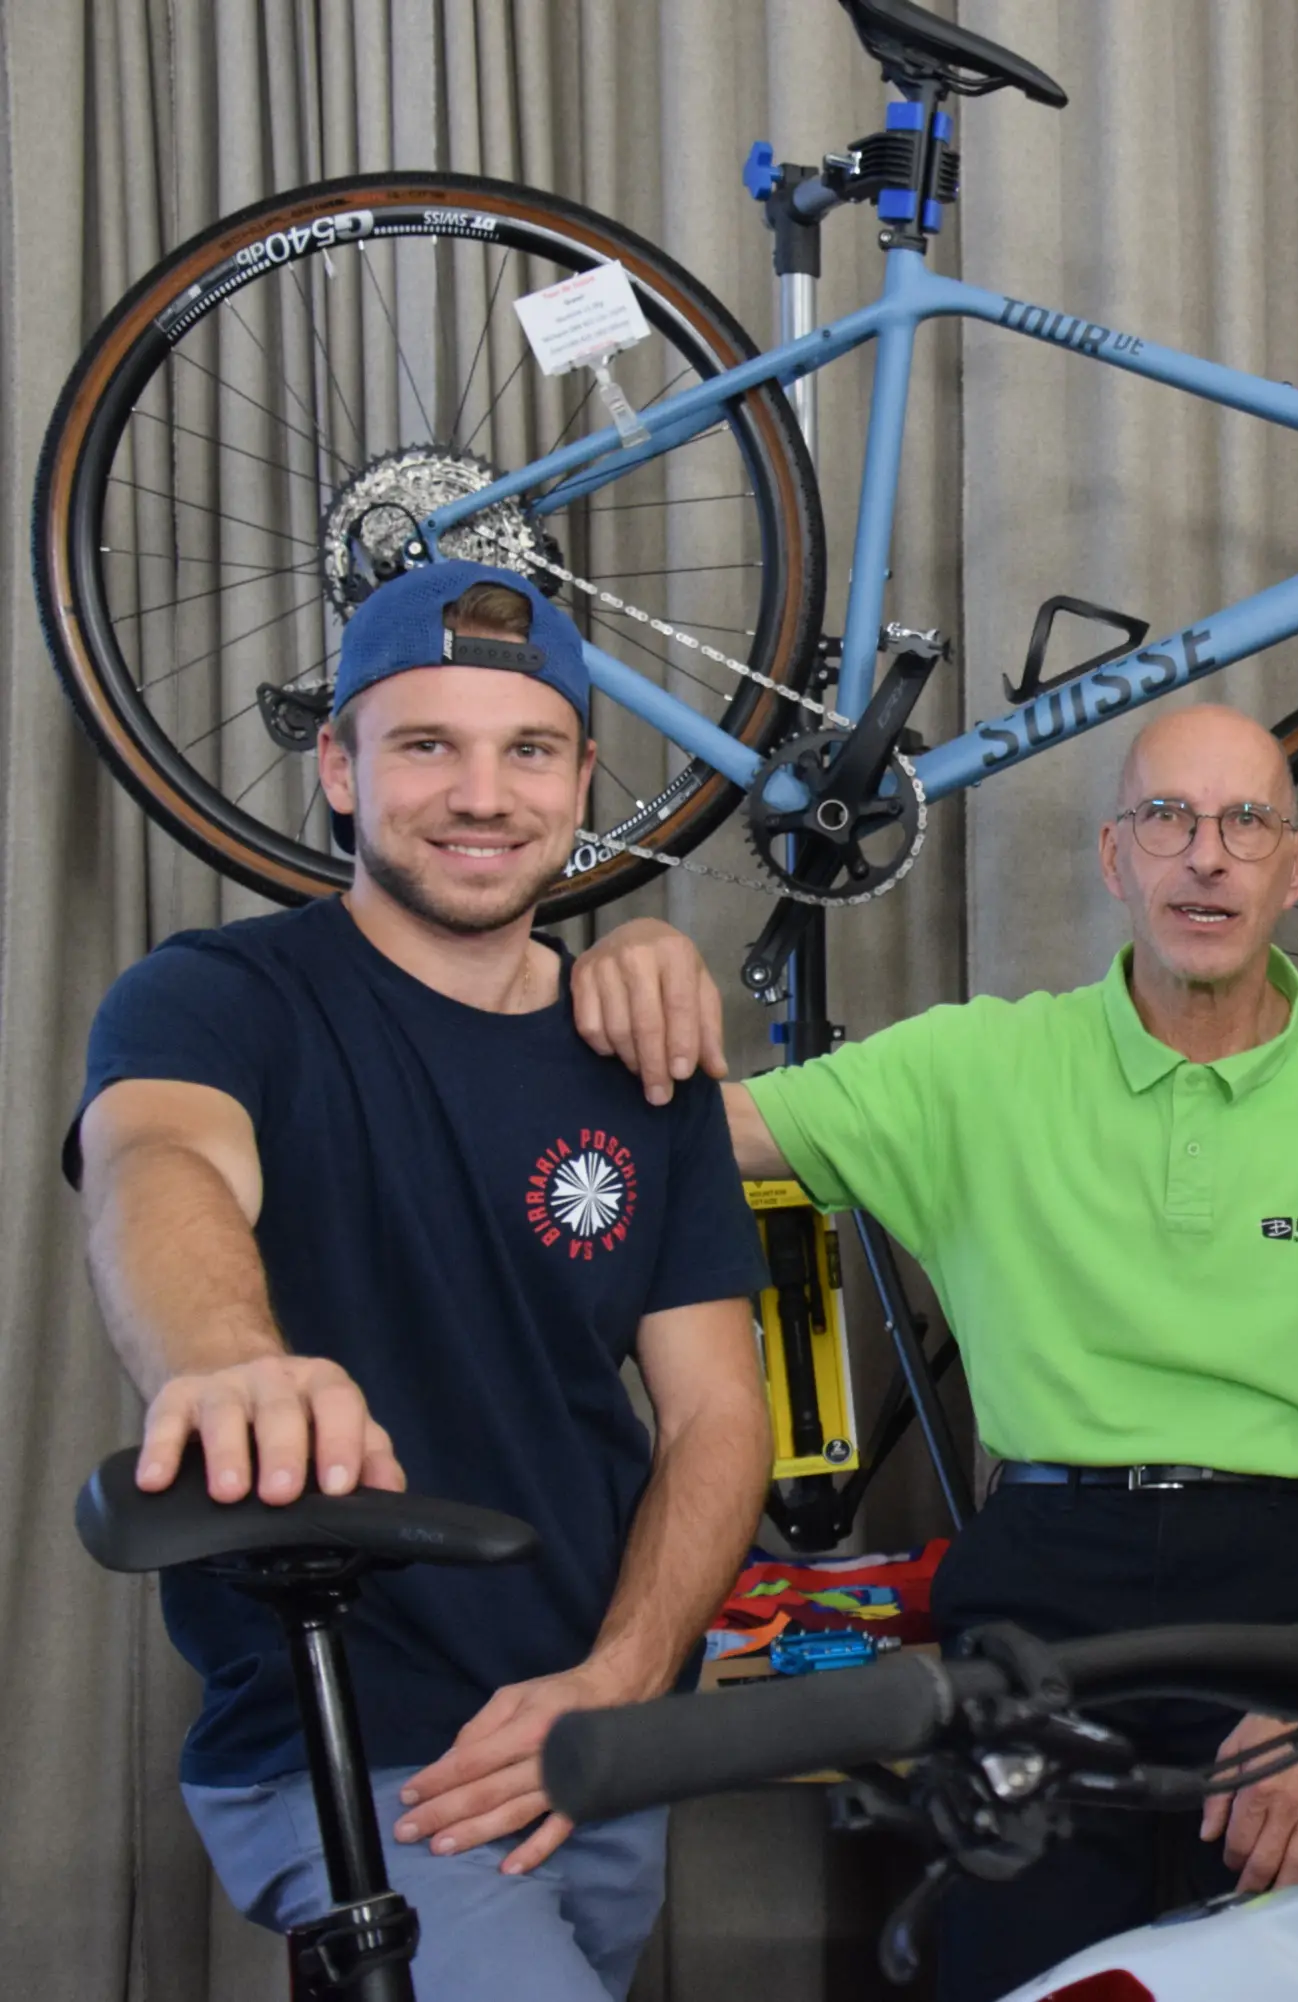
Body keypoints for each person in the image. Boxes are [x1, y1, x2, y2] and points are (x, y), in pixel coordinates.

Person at [570, 700, 1298, 1998]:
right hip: (1046, 1596)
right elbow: (688, 1139)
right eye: (1168, 818)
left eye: (1246, 821)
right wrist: (599, 971)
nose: (1208, 855)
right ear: (1115, 857)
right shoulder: (982, 1065)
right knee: (1026, 1972)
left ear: (1296, 866)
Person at [69, 563, 773, 2002]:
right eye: (425, 745)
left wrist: (620, 1680)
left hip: (591, 1737)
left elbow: (718, 1418)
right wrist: (224, 1357)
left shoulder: (646, 1071)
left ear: (582, 777)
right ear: (339, 765)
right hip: (352, 1743)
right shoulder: (218, 997)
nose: (481, 793)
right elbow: (161, 1162)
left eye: (526, 750)